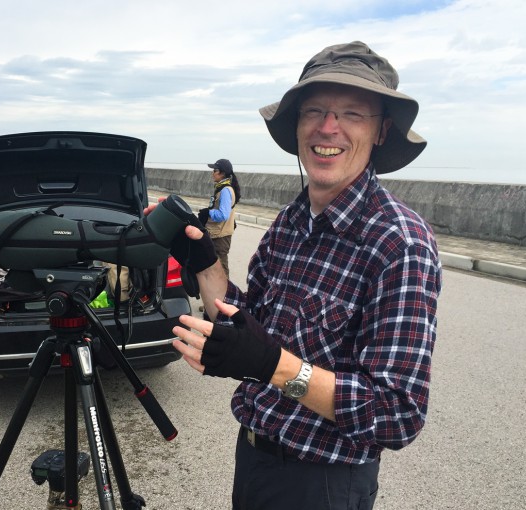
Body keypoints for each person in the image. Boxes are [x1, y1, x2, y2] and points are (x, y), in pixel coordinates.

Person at [164, 41, 442, 509]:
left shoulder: (400, 244)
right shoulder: (292, 221)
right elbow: (251, 325)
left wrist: (274, 366)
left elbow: (399, 412)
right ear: (296, 126)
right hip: (254, 457)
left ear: (381, 131)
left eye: (352, 113)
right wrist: (202, 262)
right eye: (314, 110)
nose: (327, 127)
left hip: (324, 483)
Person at [198, 158, 241, 278]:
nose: (213, 173)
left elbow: (223, 215)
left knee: (221, 269)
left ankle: (226, 295)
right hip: (216, 233)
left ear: (222, 173)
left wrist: (208, 213)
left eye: (215, 170)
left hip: (220, 237)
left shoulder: (226, 190)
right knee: (215, 267)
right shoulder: (221, 188)